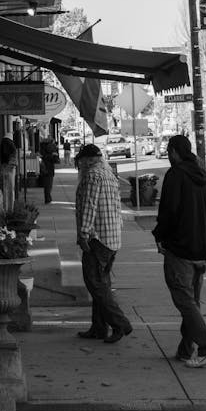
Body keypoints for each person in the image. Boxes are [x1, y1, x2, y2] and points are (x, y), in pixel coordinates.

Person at [152, 134, 206, 368]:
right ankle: (185, 348)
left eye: (169, 152)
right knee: (192, 301)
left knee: (184, 300)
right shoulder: (203, 175)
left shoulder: (176, 174)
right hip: (201, 246)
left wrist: (159, 235)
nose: (169, 156)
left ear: (173, 151)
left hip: (180, 247)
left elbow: (169, 211)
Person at [74, 143, 133, 343]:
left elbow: (89, 206)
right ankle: (99, 327)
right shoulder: (108, 174)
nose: (79, 165)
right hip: (112, 237)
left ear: (89, 160)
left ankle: (120, 324)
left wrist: (83, 234)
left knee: (95, 284)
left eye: (80, 161)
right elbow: (117, 206)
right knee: (101, 283)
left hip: (97, 238)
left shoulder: (92, 175)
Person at [0, 136, 18, 213]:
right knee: (10, 190)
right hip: (10, 167)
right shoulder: (11, 145)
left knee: (6, 190)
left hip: (6, 166)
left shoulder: (4, 143)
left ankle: (6, 209)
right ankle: (9, 210)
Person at [39, 137, 59, 204]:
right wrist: (54, 156)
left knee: (47, 185)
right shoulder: (50, 149)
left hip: (44, 168)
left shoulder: (43, 149)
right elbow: (55, 160)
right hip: (49, 169)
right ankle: (48, 198)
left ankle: (48, 198)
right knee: (49, 185)